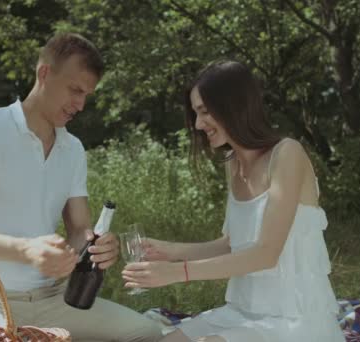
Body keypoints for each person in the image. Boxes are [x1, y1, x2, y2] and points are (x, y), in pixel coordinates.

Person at [0, 32, 162, 342]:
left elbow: (80, 228)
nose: (80, 104)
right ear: (44, 73)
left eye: (86, 95)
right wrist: (26, 250)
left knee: (148, 333)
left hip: (53, 299)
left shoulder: (72, 149)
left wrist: (96, 246)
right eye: (74, 90)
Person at [122, 60, 345, 342]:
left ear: (233, 105)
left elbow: (265, 254)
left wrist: (177, 272)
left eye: (204, 111)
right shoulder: (233, 164)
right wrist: (169, 250)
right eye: (195, 113)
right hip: (242, 312)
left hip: (293, 320)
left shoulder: (287, 153)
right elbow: (233, 243)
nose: (199, 124)